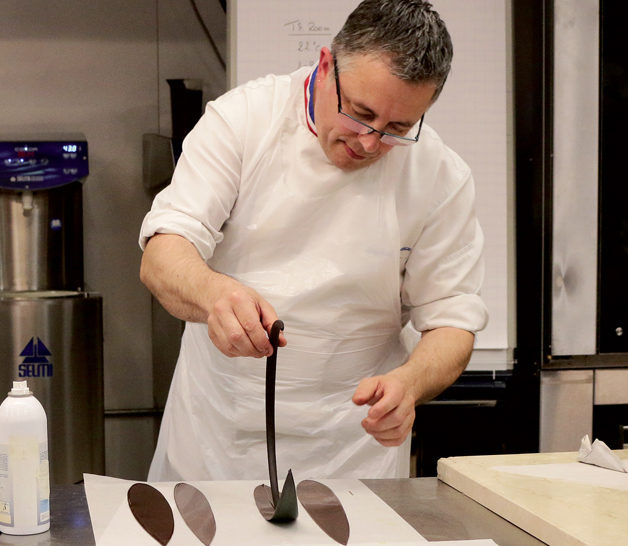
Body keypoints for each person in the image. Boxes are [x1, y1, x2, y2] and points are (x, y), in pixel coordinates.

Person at [138, 0, 487, 481]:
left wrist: (411, 383)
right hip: (216, 442)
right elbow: (163, 253)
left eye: (398, 129)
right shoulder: (243, 121)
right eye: (360, 113)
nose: (370, 142)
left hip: (354, 453)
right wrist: (215, 294)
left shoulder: (439, 176)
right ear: (326, 66)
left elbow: (452, 319)